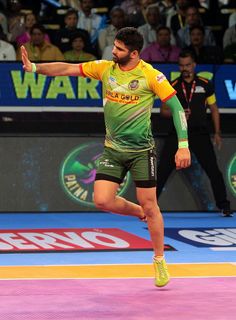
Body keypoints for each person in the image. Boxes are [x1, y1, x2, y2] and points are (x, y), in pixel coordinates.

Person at [21, 27, 191, 287]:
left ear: (134, 53)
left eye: (120, 49)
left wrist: (183, 145)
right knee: (102, 200)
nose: (114, 51)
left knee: (151, 204)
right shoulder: (105, 68)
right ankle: (139, 212)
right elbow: (67, 69)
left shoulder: (151, 76)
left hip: (141, 152)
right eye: (114, 46)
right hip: (113, 149)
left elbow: (177, 108)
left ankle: (159, 260)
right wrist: (34, 68)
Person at [156, 50, 233, 217]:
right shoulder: (173, 85)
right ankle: (149, 208)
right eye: (182, 65)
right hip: (177, 134)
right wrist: (178, 113)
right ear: (179, 66)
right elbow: (163, 111)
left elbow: (214, 109)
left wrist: (217, 132)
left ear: (194, 65)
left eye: (188, 65)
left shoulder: (206, 84)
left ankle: (224, 205)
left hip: (200, 134)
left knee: (213, 171)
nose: (185, 68)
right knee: (162, 171)